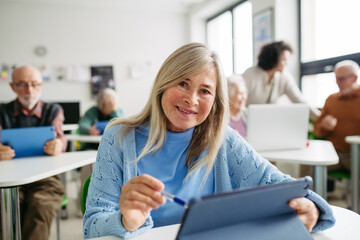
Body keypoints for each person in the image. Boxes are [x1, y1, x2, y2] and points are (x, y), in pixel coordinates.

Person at [83, 43, 334, 239]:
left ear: (215, 100)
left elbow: (281, 185)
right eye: (183, 83)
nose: (192, 99)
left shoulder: (224, 140)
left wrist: (310, 206)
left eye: (205, 91)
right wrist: (126, 221)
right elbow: (92, 227)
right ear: (162, 84)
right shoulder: (119, 137)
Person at [0, 65, 66, 240]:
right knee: (5, 208)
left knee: (41, 206)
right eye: (22, 85)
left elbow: (60, 137)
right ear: (13, 87)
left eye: (34, 84)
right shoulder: (2, 112)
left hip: (46, 178)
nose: (29, 90)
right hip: (8, 179)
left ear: (41, 85)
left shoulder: (53, 110)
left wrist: (58, 145)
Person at [243, 41, 320, 120]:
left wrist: (320, 117)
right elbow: (237, 104)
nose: (286, 63)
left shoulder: (284, 77)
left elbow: (300, 100)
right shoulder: (250, 74)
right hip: (246, 122)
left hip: (268, 122)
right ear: (273, 58)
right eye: (284, 60)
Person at [314, 60, 360, 172]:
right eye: (336, 79)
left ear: (354, 78)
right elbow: (317, 131)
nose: (338, 83)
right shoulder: (331, 100)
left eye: (342, 79)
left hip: (356, 154)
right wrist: (324, 126)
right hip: (333, 152)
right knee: (310, 165)